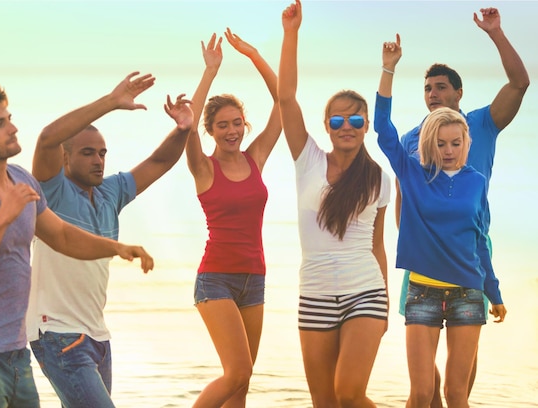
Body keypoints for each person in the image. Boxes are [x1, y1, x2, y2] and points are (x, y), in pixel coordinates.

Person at [0, 78, 153, 408]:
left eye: (8, 119)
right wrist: (2, 217)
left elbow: (61, 235)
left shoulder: (20, 179)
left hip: (17, 356)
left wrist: (115, 248)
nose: (12, 128)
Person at [25, 72, 193, 408]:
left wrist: (183, 129)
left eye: (102, 153)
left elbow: (159, 161)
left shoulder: (110, 193)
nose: (98, 160)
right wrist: (111, 102)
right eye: (88, 153)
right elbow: (46, 139)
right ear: (65, 158)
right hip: (56, 333)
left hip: (98, 336)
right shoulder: (52, 193)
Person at [394, 8, 529, 407]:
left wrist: (497, 33)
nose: (432, 94)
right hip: (422, 258)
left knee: (463, 363)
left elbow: (520, 83)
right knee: (422, 359)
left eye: (440, 87)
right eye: (427, 88)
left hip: (471, 248)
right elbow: (402, 198)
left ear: (458, 93)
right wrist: (411, 241)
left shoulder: (481, 125)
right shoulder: (411, 139)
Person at [375, 36, 507, 408]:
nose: (449, 151)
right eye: (442, 143)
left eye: (456, 143)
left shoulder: (475, 182)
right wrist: (389, 69)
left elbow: (480, 242)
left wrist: (494, 294)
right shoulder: (414, 172)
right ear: (429, 143)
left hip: (468, 294)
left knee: (456, 395)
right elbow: (382, 128)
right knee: (420, 394)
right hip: (422, 292)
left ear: (467, 142)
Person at [279, 1, 391, 407]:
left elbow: (378, 244)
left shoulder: (379, 178)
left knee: (348, 394)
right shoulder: (307, 159)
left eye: (357, 120)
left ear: (365, 126)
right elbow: (286, 97)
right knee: (324, 402)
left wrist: (385, 302)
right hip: (315, 294)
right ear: (327, 126)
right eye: (339, 120)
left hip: (365, 291)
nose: (348, 127)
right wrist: (291, 34)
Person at [185, 28, 281, 407]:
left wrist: (254, 55)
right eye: (222, 125)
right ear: (211, 131)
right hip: (216, 280)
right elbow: (185, 125)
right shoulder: (204, 168)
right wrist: (210, 71)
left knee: (241, 386)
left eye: (237, 123)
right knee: (237, 373)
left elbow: (283, 101)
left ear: (245, 125)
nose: (231, 131)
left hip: (254, 278)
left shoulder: (255, 158)